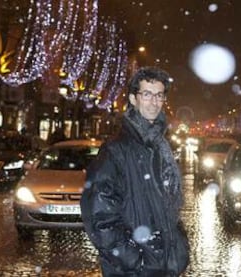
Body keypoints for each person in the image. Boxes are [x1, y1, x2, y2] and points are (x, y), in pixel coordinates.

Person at [80, 67, 189, 277]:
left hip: (163, 266)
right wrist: (133, 259)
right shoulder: (115, 151)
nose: (153, 102)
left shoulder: (160, 147)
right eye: (146, 94)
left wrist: (179, 245)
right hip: (133, 271)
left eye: (159, 95)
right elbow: (100, 216)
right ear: (133, 99)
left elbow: (169, 207)